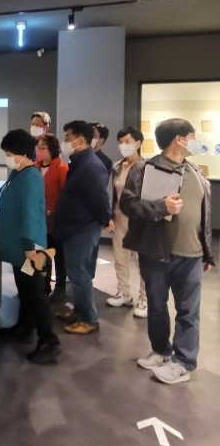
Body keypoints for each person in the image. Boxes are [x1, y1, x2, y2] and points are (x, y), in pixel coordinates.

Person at [120, 119, 213, 385]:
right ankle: (161, 350)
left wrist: (206, 252)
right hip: (156, 252)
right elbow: (128, 204)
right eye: (192, 136)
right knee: (157, 306)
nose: (195, 142)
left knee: (188, 311)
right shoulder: (145, 169)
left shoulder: (195, 171)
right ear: (179, 139)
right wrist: (161, 207)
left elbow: (204, 215)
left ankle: (183, 362)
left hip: (192, 254)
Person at [0, 130, 61, 364]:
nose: (7, 157)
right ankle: (24, 328)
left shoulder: (31, 177)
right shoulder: (18, 173)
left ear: (22, 153)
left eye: (9, 153)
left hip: (30, 248)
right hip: (19, 246)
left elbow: (31, 213)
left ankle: (49, 341)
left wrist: (30, 245)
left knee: (36, 294)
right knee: (25, 290)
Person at [53, 120, 111, 335]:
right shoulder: (79, 161)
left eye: (68, 137)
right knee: (76, 272)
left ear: (79, 139)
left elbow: (100, 199)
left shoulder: (90, 166)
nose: (65, 141)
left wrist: (105, 220)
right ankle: (79, 311)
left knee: (79, 273)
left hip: (82, 228)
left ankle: (89, 319)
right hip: (74, 226)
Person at [106, 127, 147, 317]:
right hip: (119, 217)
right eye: (120, 142)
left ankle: (145, 298)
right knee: (120, 258)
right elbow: (112, 194)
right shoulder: (117, 167)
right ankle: (124, 292)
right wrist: (110, 215)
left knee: (142, 261)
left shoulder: (147, 167)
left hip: (139, 221)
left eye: (127, 141)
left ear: (138, 143)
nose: (123, 145)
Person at [35, 134, 69, 304]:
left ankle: (60, 287)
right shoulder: (35, 167)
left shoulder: (61, 168)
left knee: (58, 254)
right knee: (42, 252)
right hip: (39, 218)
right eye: (38, 147)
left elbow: (65, 195)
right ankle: (43, 284)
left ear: (52, 150)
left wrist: (54, 211)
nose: (39, 150)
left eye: (44, 148)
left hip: (56, 219)